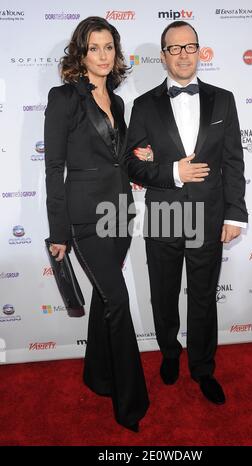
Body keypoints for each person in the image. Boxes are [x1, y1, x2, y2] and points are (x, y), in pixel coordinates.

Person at [124, 21, 248, 405]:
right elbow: (132, 165)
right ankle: (170, 354)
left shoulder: (224, 99)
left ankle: (203, 367)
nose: (182, 54)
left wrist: (235, 214)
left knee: (203, 296)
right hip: (163, 214)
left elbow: (233, 162)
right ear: (163, 56)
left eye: (189, 46)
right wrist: (174, 172)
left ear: (199, 51)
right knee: (163, 295)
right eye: (174, 48)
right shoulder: (144, 105)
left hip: (210, 216)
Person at [44, 16, 150, 432]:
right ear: (81, 53)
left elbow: (118, 160)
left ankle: (97, 376)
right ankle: (131, 404)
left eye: (109, 47)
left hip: (120, 214)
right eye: (94, 48)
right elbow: (54, 168)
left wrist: (141, 157)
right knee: (119, 303)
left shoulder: (119, 102)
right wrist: (59, 232)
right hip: (85, 218)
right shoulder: (64, 98)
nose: (103, 55)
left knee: (106, 301)